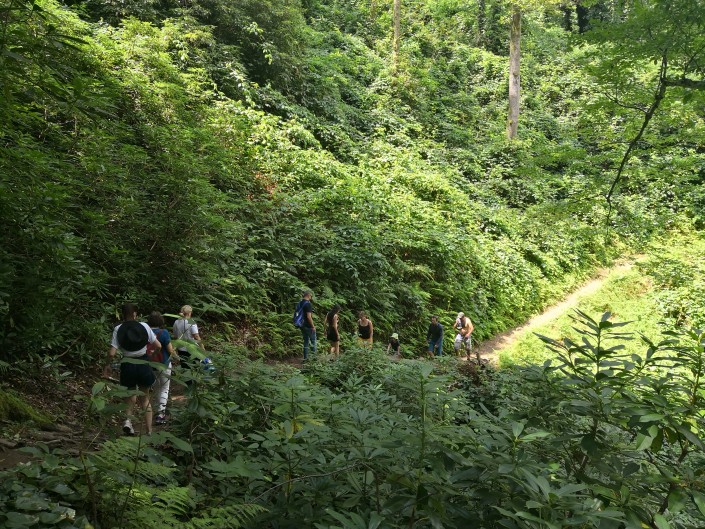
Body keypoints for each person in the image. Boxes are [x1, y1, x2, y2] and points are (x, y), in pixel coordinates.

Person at [104, 303, 161, 436]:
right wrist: (151, 355)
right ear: (135, 314)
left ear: (122, 314)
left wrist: (107, 365)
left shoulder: (118, 328)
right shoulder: (144, 326)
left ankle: (128, 423)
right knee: (145, 398)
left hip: (127, 364)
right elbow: (158, 346)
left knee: (129, 396)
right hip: (143, 362)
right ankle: (149, 431)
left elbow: (111, 353)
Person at [148, 311, 177, 425]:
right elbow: (170, 350)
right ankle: (161, 414)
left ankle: (157, 411)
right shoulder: (163, 332)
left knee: (156, 388)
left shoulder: (146, 332)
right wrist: (177, 357)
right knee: (165, 388)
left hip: (151, 363)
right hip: (164, 363)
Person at [172, 305, 202, 381]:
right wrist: (202, 347)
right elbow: (196, 336)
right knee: (194, 368)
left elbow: (175, 336)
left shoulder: (176, 322)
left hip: (181, 349)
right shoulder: (191, 322)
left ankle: (187, 383)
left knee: (185, 369)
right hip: (192, 349)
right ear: (189, 313)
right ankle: (194, 382)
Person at [297, 290, 317, 360]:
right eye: (311, 296)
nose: (311, 297)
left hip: (301, 325)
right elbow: (309, 317)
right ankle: (314, 359)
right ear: (308, 295)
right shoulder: (308, 304)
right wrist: (313, 326)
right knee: (313, 342)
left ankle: (305, 359)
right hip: (308, 326)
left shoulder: (300, 303)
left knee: (306, 342)